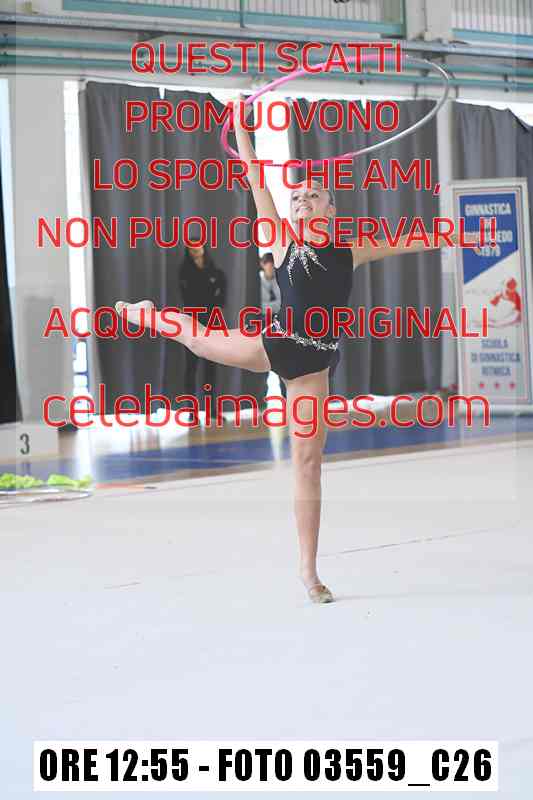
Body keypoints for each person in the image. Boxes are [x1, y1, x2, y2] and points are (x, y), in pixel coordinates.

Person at [115, 95, 475, 604]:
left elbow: (412, 239)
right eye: (298, 197)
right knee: (196, 339)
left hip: (314, 367)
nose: (303, 200)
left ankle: (309, 570)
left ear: (331, 208)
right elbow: (255, 179)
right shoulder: (284, 241)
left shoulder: (349, 249)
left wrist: (462, 233)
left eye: (314, 195)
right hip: (277, 343)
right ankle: (146, 313)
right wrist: (241, 131)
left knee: (308, 464)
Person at [178, 244, 227, 420]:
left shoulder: (215, 271)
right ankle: (191, 411)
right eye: (192, 249)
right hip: (192, 324)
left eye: (198, 248)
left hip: (211, 324)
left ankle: (211, 409)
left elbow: (221, 297)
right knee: (191, 368)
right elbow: (188, 298)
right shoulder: (185, 272)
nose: (196, 252)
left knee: (210, 368)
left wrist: (213, 303)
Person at [259, 251, 286, 404]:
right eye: (267, 265)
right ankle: (261, 400)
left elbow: (283, 302)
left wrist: (271, 306)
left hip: (279, 322)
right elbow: (260, 305)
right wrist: (273, 306)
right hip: (263, 322)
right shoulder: (257, 281)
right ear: (262, 265)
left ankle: (285, 398)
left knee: (282, 360)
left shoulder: (281, 280)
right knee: (263, 360)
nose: (270, 268)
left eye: (272, 265)